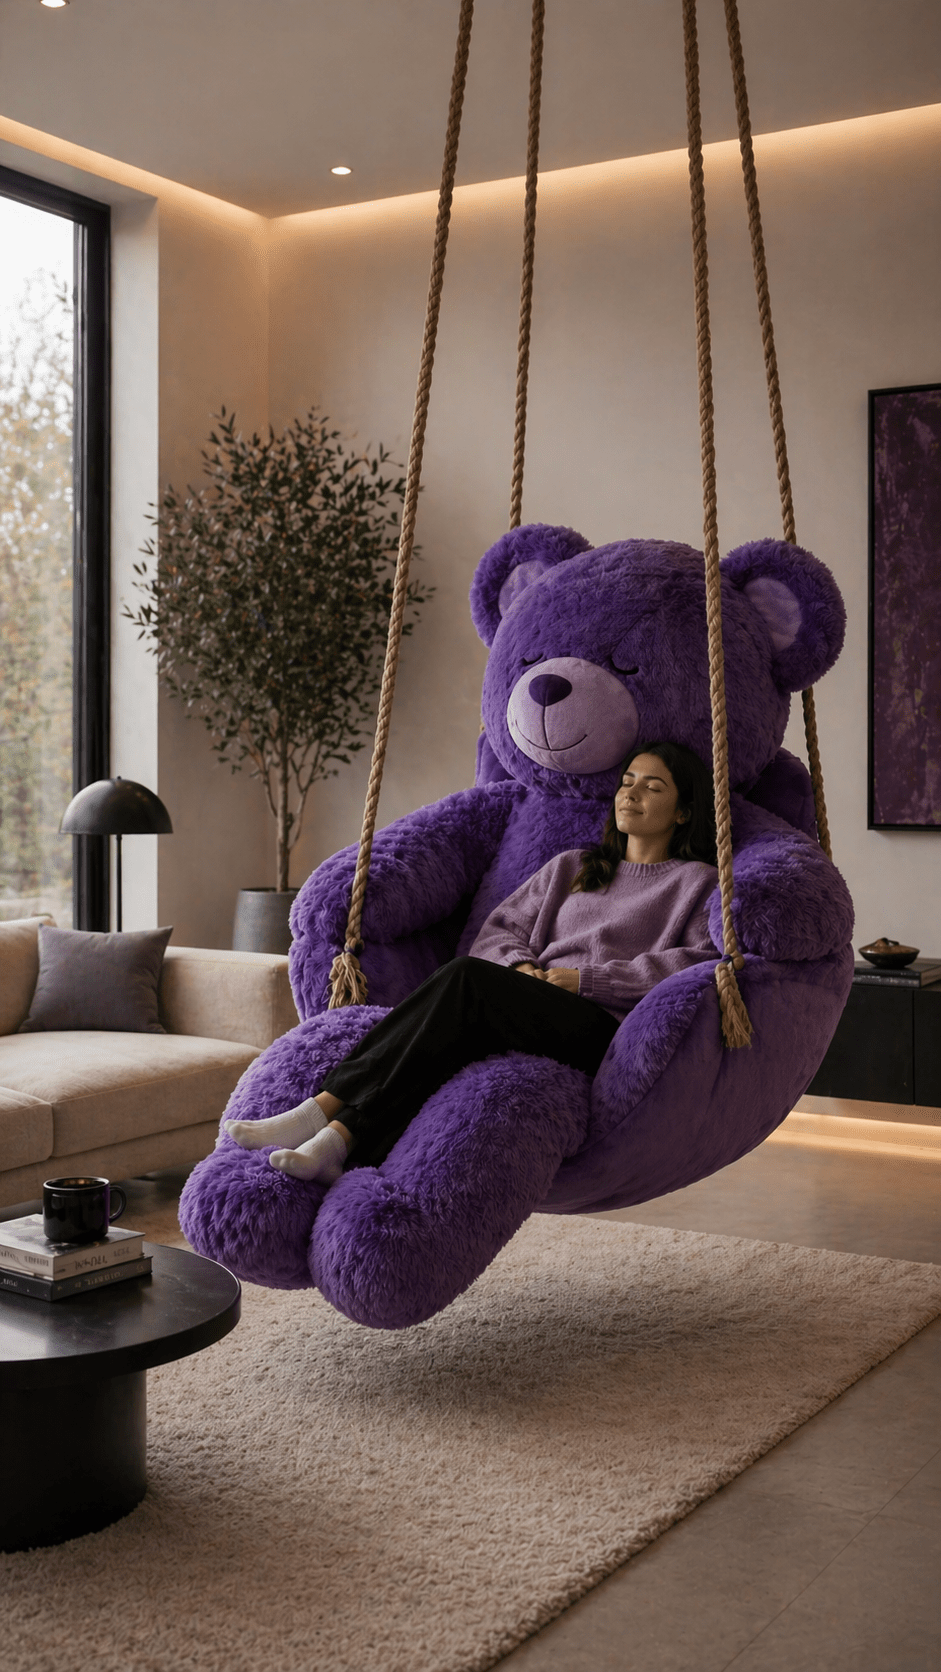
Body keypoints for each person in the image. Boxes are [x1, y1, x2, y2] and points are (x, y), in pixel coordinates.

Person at [225, 741, 720, 1182]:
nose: (630, 794)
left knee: (461, 978)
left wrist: (585, 980)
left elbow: (696, 965)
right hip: (530, 999)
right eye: (626, 782)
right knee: (441, 1041)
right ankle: (337, 1140)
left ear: (682, 812)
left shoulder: (698, 883)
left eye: (651, 787)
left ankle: (321, 1108)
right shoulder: (574, 866)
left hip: (597, 1028)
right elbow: (501, 931)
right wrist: (523, 973)